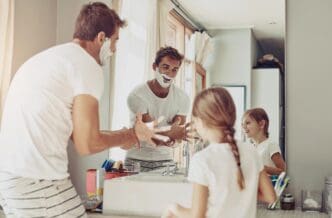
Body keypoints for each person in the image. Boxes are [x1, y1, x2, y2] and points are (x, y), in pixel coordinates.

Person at [0, 2, 156, 217]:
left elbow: (77, 135)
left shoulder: (51, 59)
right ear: (101, 38)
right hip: (37, 181)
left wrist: (126, 137)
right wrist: (129, 134)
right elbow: (87, 144)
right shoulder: (86, 65)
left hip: (10, 180)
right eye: (115, 41)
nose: (114, 50)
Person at [162, 87, 276, 218]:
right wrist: (240, 192)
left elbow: (196, 216)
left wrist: (173, 208)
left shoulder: (202, 160)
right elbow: (270, 197)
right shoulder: (251, 151)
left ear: (200, 121)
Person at [126, 46, 190, 172]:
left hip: (165, 160)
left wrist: (174, 136)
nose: (169, 74)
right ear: (155, 66)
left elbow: (178, 135)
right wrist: (172, 134)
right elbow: (151, 135)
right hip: (137, 160)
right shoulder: (137, 95)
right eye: (165, 67)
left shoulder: (182, 98)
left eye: (174, 70)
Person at [242, 107, 286, 175]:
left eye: (247, 123)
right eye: (242, 124)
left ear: (261, 124)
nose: (244, 127)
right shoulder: (251, 148)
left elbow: (282, 171)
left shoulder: (271, 145)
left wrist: (262, 168)